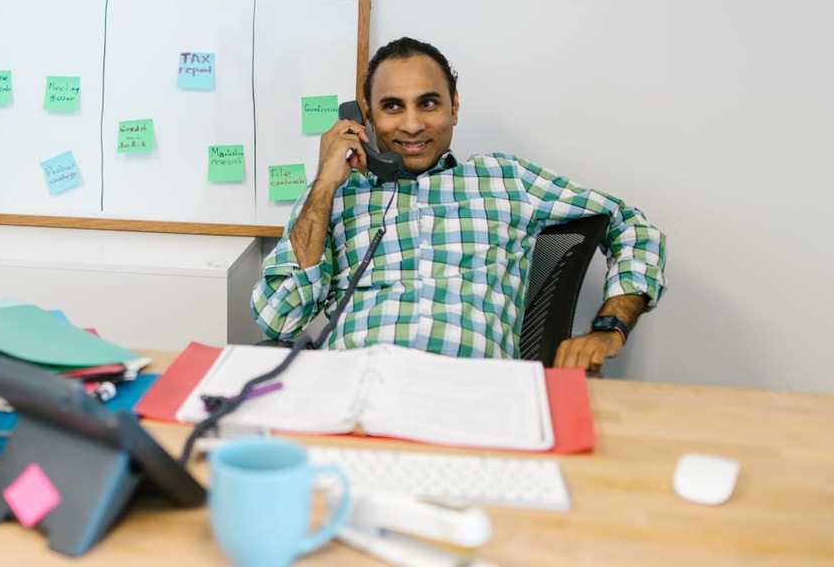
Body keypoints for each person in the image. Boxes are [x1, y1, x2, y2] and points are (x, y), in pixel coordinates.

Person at [251, 37, 666, 371]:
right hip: (357, 389)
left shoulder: (506, 178)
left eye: (428, 103)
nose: (412, 125)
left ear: (455, 107)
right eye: (392, 107)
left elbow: (630, 224)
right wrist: (324, 184)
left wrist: (609, 328)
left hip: (473, 396)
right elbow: (278, 318)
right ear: (366, 120)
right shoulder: (335, 196)